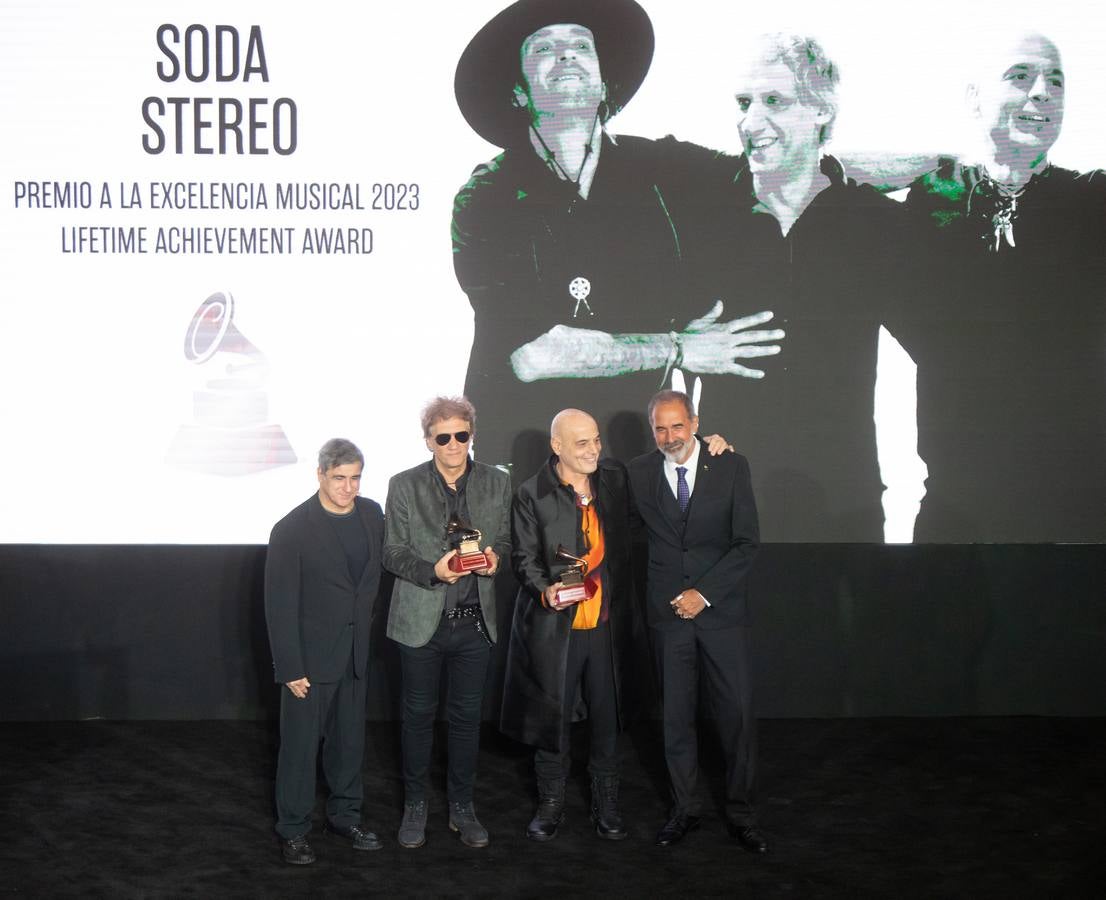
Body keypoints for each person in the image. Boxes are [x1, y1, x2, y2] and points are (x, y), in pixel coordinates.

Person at [452, 0, 782, 478]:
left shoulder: (658, 167)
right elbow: (535, 354)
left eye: (581, 45)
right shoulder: (486, 196)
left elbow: (784, 168)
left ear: (605, 84)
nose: (566, 55)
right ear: (519, 92)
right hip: (527, 459)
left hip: (636, 455)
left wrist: (924, 167)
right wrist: (681, 348)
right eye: (545, 47)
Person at [669, 33, 914, 542]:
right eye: (743, 103)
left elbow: (941, 345)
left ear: (822, 111)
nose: (750, 122)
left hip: (843, 503)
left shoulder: (873, 224)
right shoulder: (703, 219)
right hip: (726, 499)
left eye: (774, 101)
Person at [898, 30, 1106, 542]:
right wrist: (934, 160)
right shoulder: (933, 201)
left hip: (1073, 515)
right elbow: (819, 171)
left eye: (1056, 82)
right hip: (954, 509)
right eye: (1020, 77)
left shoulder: (1090, 203)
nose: (1043, 92)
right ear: (974, 98)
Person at [628, 390, 766, 852]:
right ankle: (685, 809)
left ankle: (742, 814)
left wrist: (703, 595)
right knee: (675, 720)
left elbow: (746, 543)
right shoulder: (637, 472)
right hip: (666, 619)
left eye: (678, 426)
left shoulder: (730, 465)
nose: (670, 437)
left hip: (721, 614)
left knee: (737, 717)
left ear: (695, 422)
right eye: (660, 428)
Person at [383, 397, 513, 849]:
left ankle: (462, 806)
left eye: (461, 434)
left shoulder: (498, 483)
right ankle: (415, 806)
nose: (453, 444)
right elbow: (392, 552)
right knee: (417, 718)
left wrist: (495, 562)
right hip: (421, 622)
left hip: (476, 623)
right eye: (444, 437)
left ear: (471, 435)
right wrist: (432, 571)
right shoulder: (403, 485)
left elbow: (507, 542)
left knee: (465, 720)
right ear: (428, 441)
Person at [264, 438, 384, 865]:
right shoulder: (291, 529)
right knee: (299, 748)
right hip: (309, 662)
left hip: (354, 656)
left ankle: (344, 815)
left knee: (349, 743)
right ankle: (294, 830)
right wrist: (290, 667)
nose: (348, 488)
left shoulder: (372, 514)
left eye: (354, 478)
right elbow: (279, 605)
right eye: (339, 478)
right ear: (319, 474)